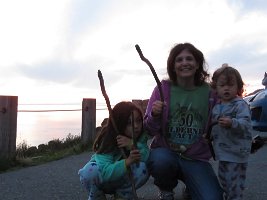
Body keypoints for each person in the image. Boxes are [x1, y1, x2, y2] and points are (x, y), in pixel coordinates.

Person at [144, 42, 223, 200]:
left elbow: (218, 126)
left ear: (197, 64)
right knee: (159, 160)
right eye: (179, 60)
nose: (184, 63)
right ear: (173, 66)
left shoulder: (211, 93)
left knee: (213, 198)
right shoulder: (163, 88)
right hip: (166, 153)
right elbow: (149, 130)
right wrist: (154, 115)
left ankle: (191, 186)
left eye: (189, 59)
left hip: (196, 158)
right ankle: (166, 189)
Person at [78, 101, 150, 200]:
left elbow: (146, 156)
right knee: (90, 171)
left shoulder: (139, 137)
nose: (136, 126)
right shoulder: (108, 140)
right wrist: (127, 162)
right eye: (129, 123)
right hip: (103, 180)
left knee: (143, 167)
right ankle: (97, 196)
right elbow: (105, 173)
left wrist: (132, 144)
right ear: (119, 123)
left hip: (122, 179)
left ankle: (123, 195)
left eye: (138, 121)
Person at [210, 64, 252, 200]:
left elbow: (246, 123)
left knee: (234, 185)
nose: (226, 88)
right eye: (222, 85)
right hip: (223, 153)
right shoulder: (217, 107)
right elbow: (213, 125)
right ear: (216, 88)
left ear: (239, 87)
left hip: (237, 152)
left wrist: (232, 122)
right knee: (224, 181)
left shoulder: (240, 104)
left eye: (231, 85)